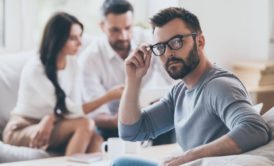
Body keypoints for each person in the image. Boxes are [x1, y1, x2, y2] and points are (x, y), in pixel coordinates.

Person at [114, 7, 271, 165]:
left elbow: (255, 129)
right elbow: (131, 131)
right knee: (122, 162)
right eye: (161, 47)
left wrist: (189, 156)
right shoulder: (179, 92)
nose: (168, 53)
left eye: (176, 42)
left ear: (200, 42)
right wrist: (133, 80)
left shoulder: (219, 86)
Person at [2, 12, 123, 156]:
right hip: (22, 127)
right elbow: (70, 110)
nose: (80, 43)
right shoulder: (36, 68)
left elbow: (74, 108)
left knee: (96, 139)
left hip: (53, 124)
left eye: (80, 36)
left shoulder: (73, 63)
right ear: (57, 40)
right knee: (85, 124)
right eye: (73, 38)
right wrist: (108, 97)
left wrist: (50, 118)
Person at [79, 0, 173, 141]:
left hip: (147, 115)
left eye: (128, 28)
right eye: (115, 30)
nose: (123, 36)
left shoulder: (149, 40)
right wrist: (127, 119)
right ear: (102, 26)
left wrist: (163, 103)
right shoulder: (90, 59)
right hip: (112, 125)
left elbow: (174, 80)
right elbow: (98, 115)